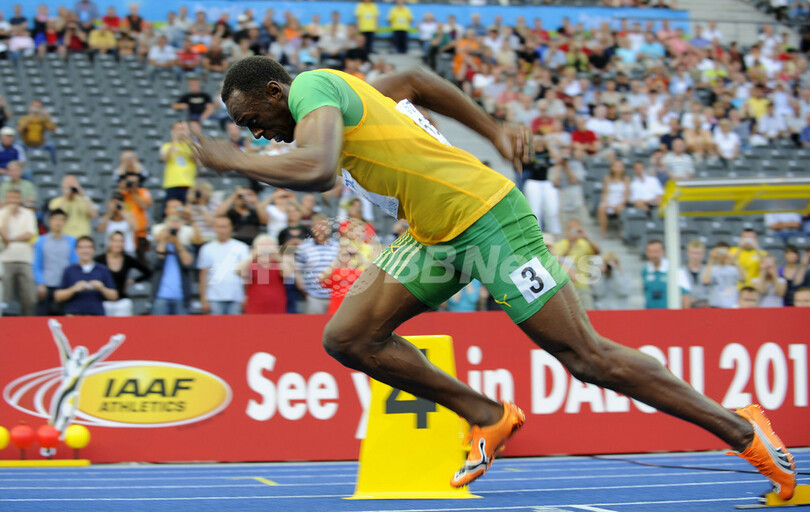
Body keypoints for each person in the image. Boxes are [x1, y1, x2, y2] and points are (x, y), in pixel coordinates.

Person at [189, 58, 797, 497]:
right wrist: (494, 128)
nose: (255, 133)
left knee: (586, 358)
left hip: (487, 220)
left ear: (276, 90)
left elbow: (319, 170)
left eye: (252, 118)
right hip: (433, 237)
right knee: (348, 337)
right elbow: (414, 81)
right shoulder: (348, 101)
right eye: (245, 131)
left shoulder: (317, 88)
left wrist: (230, 159)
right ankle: (486, 415)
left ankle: (745, 432)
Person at [197, 216, 250, 315]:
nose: (222, 230)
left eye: (225, 227)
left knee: (236, 329)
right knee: (215, 329)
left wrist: (246, 296)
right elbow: (203, 275)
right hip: (213, 297)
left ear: (231, 228)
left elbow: (246, 274)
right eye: (219, 227)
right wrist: (204, 300)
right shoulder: (206, 248)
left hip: (236, 297)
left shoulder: (241, 247)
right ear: (214, 228)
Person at [54, 236, 118, 316]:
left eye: (88, 247)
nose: (85, 251)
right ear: (76, 250)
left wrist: (101, 288)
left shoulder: (102, 270)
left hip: (96, 316)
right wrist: (74, 289)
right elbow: (58, 296)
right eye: (82, 247)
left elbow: (114, 296)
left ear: (94, 250)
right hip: (73, 316)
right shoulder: (69, 270)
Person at [94, 231, 152, 317]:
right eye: (115, 241)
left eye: (121, 241)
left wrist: (133, 281)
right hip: (103, 301)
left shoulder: (127, 259)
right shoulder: (99, 260)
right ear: (109, 242)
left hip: (122, 302)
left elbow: (148, 272)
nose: (118, 244)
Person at [0, 187, 37, 315]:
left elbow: (29, 234)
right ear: (6, 198)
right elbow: (2, 235)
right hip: (5, 259)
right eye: (11, 197)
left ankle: (29, 322)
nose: (13, 201)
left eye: (16, 198)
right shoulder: (2, 213)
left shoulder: (28, 214)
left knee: (29, 296)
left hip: (25, 259)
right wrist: (7, 215)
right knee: (6, 296)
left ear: (20, 199)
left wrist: (10, 238)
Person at [33, 209, 77, 316]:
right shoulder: (41, 241)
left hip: (65, 287)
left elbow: (74, 263)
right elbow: (37, 264)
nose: (58, 222)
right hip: (46, 286)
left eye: (62, 220)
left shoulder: (72, 241)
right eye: (56, 219)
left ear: (65, 222)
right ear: (50, 221)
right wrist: (40, 283)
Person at [295, 214, 339, 314]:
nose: (321, 229)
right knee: (312, 327)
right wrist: (305, 291)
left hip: (334, 297)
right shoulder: (304, 247)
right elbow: (298, 271)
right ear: (312, 228)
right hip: (313, 297)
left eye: (324, 226)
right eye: (317, 226)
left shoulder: (337, 246)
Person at [151, 215, 194, 315]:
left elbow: (188, 263)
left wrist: (177, 242)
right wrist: (163, 239)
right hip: (160, 297)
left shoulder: (186, 248)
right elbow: (156, 263)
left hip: (181, 297)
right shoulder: (157, 247)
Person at [237, 234, 288, 314]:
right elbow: (239, 272)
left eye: (269, 245)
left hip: (276, 304)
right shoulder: (251, 264)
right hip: (255, 304)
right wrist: (252, 256)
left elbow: (287, 274)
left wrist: (277, 257)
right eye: (262, 245)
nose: (265, 249)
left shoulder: (278, 263)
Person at [160, 121, 198, 203]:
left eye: (183, 129)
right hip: (172, 183)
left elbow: (197, 159)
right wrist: (174, 141)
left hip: (189, 183)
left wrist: (188, 140)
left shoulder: (192, 145)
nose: (181, 132)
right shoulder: (167, 145)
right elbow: (164, 158)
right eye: (178, 129)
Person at [702, 242, 744, 308]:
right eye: (720, 251)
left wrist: (732, 258)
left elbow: (744, 278)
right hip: (715, 306)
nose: (722, 254)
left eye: (724, 251)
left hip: (731, 305)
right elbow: (705, 281)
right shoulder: (711, 269)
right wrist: (711, 258)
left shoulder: (733, 269)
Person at [597, 160, 630, 238]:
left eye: (620, 166)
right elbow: (604, 193)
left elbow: (626, 195)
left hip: (620, 202)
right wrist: (606, 203)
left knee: (621, 210)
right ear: (612, 168)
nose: (618, 168)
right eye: (616, 166)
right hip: (609, 201)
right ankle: (604, 232)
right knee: (601, 208)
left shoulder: (626, 179)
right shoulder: (607, 178)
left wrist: (620, 204)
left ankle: (620, 232)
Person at [680, 239, 709, 308]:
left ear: (703, 254)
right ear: (688, 253)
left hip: (705, 308)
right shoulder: (681, 271)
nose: (695, 256)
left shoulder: (708, 271)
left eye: (698, 253)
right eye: (693, 253)